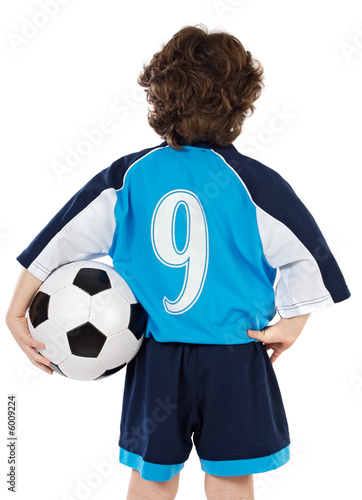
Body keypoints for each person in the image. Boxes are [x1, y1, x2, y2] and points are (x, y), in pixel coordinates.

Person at [6, 25, 350, 500]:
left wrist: (17, 308)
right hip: (234, 354)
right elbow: (310, 254)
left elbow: (59, 240)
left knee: (152, 478)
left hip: (156, 357)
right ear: (241, 104)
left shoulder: (129, 175)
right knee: (230, 478)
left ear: (160, 96)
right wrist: (295, 321)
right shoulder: (257, 184)